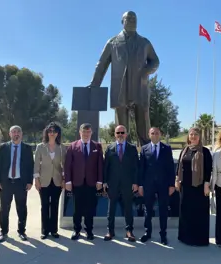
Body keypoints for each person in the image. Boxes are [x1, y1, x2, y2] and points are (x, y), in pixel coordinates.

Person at [90, 11, 159, 146]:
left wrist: (145, 71)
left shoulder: (144, 43)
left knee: (144, 125)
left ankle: (148, 154)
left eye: (134, 18)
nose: (132, 20)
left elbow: (155, 61)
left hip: (140, 87)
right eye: (128, 18)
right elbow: (101, 64)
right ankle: (123, 155)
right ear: (122, 22)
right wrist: (94, 84)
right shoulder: (113, 42)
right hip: (120, 88)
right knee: (121, 128)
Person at [0, 125, 34, 242]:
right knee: (4, 209)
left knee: (21, 208)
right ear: (10, 134)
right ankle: (3, 232)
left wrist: (29, 181)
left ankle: (22, 231)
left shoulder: (27, 148)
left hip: (20, 183)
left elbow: (30, 166)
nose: (16, 134)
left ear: (21, 134)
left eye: (18, 132)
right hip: (5, 183)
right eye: (13, 132)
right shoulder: (3, 147)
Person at [64, 123, 103, 240]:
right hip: (77, 183)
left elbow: (100, 165)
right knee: (77, 209)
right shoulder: (73, 146)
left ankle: (89, 230)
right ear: (80, 133)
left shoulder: (97, 146)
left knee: (90, 208)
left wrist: (100, 180)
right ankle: (76, 230)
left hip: (92, 183)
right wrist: (68, 181)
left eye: (88, 132)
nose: (86, 134)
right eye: (84, 132)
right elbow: (68, 165)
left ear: (91, 133)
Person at [176, 127, 212, 246]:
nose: (193, 136)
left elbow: (208, 169)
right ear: (188, 136)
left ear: (199, 136)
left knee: (199, 213)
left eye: (195, 134)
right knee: (186, 212)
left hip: (199, 187)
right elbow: (179, 167)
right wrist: (177, 179)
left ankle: (198, 240)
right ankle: (185, 237)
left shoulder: (205, 151)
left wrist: (207, 184)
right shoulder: (185, 150)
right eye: (191, 134)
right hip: (185, 186)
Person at [138, 127, 175, 245]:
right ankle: (147, 233)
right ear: (149, 135)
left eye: (157, 133)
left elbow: (170, 168)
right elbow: (141, 168)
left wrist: (171, 185)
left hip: (163, 185)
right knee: (148, 210)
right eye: (152, 133)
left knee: (163, 210)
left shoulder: (167, 148)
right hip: (148, 185)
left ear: (160, 135)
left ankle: (163, 235)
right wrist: (140, 185)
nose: (155, 135)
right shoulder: (144, 149)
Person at [103, 125, 139, 242]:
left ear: (126, 134)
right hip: (112, 184)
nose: (120, 135)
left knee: (128, 208)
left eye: (122, 132)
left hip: (127, 184)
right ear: (115, 134)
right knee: (111, 208)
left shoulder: (132, 148)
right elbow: (106, 167)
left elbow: (136, 167)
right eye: (118, 133)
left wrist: (135, 182)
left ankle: (129, 231)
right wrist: (104, 181)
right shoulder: (110, 148)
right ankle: (110, 231)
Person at [34, 122, 66, 239]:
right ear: (47, 133)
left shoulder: (62, 148)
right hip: (43, 180)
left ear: (58, 133)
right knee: (45, 205)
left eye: (55, 131)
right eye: (50, 131)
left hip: (57, 181)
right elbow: (37, 165)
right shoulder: (40, 147)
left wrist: (64, 179)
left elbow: (64, 166)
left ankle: (54, 230)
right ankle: (45, 230)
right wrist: (36, 180)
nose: (52, 133)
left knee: (55, 205)